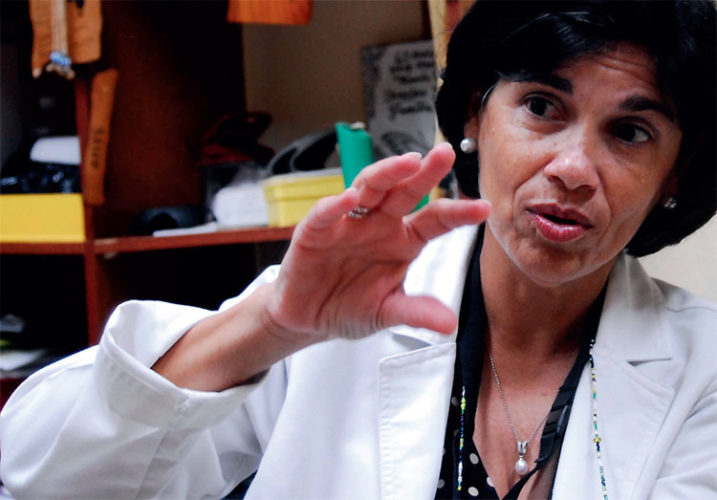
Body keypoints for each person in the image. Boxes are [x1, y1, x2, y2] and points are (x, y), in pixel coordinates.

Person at [1, 0, 716, 498]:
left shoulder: (703, 372)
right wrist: (270, 324)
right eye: (540, 106)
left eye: (630, 132)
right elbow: (43, 477)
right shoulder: (331, 322)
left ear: (674, 175)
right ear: (475, 112)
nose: (573, 168)